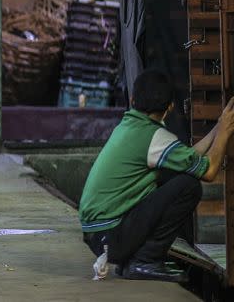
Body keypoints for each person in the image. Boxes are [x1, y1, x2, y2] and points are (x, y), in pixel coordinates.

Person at [79, 68, 234, 282]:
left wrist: (218, 128)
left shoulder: (129, 126)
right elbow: (208, 171)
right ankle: (145, 260)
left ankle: (132, 263)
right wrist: (225, 133)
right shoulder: (154, 136)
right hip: (111, 237)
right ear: (170, 107)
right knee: (188, 186)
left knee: (177, 175)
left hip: (99, 236)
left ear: (133, 99)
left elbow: (190, 159)